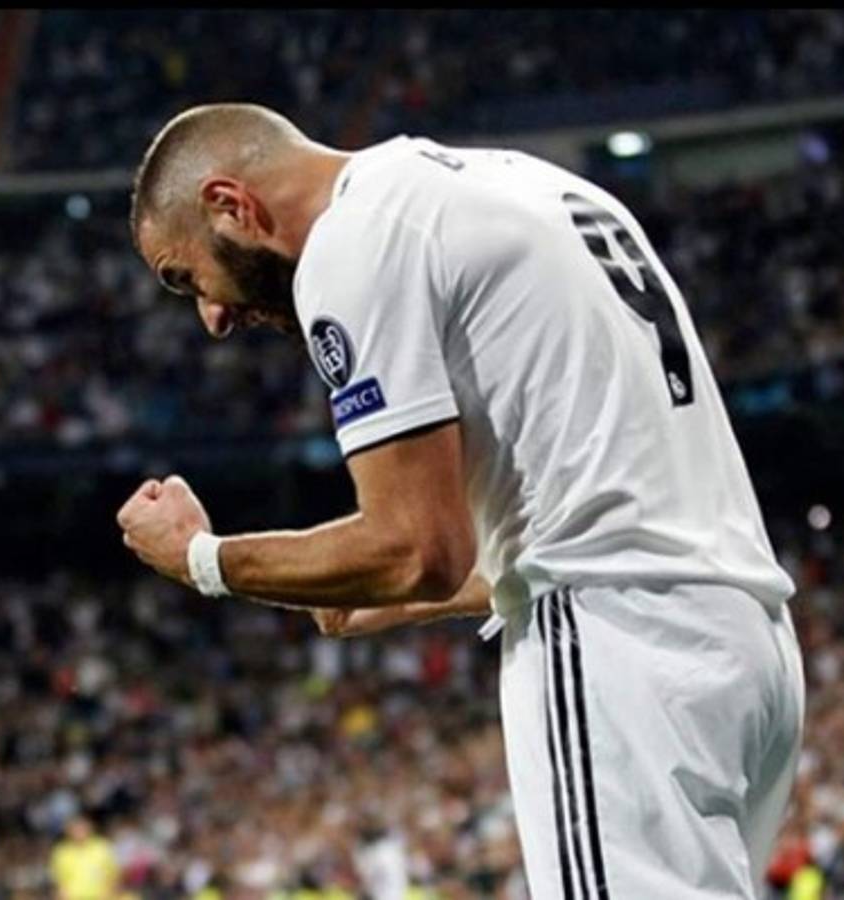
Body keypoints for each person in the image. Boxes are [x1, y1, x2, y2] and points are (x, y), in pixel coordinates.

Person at [116, 103, 805, 898]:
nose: (211, 316)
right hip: (747, 641)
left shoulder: (352, 240)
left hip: (621, 651)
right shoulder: (522, 182)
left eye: (185, 277)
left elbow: (418, 549)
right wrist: (380, 591)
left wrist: (200, 559)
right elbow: (596, 509)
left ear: (229, 205)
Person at [49, 816, 119, 900]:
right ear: (68, 831)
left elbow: (113, 874)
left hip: (101, 896)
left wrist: (109, 893)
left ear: (90, 828)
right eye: (75, 829)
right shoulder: (61, 852)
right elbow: (57, 879)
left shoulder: (102, 847)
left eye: (82, 828)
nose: (79, 832)